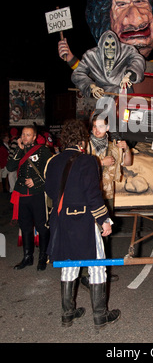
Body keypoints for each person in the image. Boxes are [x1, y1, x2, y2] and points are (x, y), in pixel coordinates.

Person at [44, 119, 121, 329]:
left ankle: (67, 314)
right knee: (97, 266)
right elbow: (93, 194)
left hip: (62, 220)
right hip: (84, 219)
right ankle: (100, 316)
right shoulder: (88, 160)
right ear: (82, 140)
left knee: (69, 265)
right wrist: (104, 219)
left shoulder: (53, 161)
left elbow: (50, 191)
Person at [80, 111, 132, 288]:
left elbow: (128, 163)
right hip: (87, 195)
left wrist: (126, 149)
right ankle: (88, 274)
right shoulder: (84, 146)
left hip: (107, 195)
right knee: (88, 234)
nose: (96, 130)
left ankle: (101, 270)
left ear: (107, 128)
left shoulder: (113, 146)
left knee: (105, 234)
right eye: (94, 126)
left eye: (100, 127)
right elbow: (77, 166)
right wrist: (100, 163)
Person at [7, 125, 52, 271]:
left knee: (41, 226)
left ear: (34, 137)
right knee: (25, 226)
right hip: (22, 194)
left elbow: (50, 171)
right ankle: (28, 257)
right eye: (23, 134)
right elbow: (10, 167)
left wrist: (36, 181)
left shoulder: (43, 150)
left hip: (37, 193)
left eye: (28, 135)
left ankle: (43, 256)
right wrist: (19, 150)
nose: (25, 137)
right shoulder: (18, 150)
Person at [7, 127, 19, 192]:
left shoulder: (14, 141)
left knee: (11, 176)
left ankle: (13, 191)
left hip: (14, 161)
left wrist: (9, 160)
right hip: (18, 161)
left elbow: (12, 152)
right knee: (16, 176)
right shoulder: (18, 139)